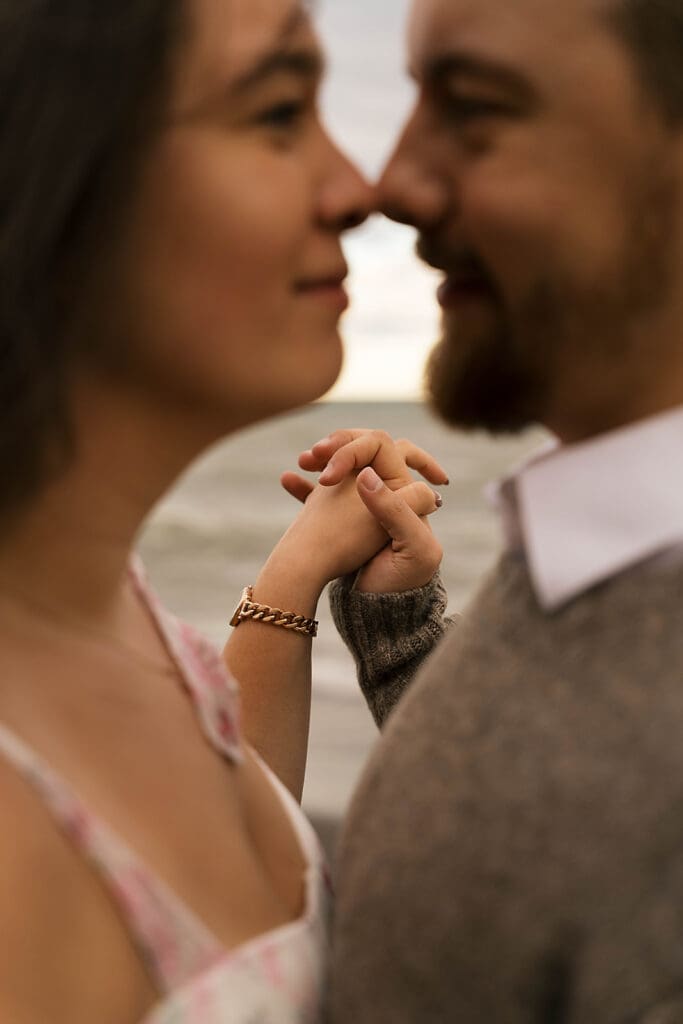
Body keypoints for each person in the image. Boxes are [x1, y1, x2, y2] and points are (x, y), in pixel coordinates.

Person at [0, 2, 448, 1021]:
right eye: (279, 110)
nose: (357, 188)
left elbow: (222, 816)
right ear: (54, 166)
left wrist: (305, 571)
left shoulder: (102, 595)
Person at [281, 0, 683, 1020]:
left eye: (473, 107)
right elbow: (563, 829)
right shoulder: (607, 539)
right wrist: (395, 629)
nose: (390, 184)